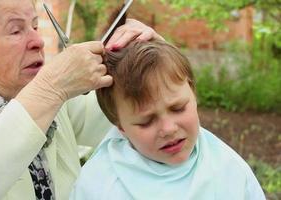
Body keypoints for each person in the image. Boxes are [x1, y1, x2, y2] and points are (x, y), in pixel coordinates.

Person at [0, 0, 163, 199]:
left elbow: (130, 120)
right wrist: (51, 87)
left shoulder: (47, 94)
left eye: (35, 27)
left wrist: (153, 58)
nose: (38, 41)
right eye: (16, 30)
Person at [70, 39, 266, 200]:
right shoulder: (99, 186)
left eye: (178, 108)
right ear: (120, 126)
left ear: (193, 93)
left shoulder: (229, 169)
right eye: (146, 121)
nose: (169, 129)